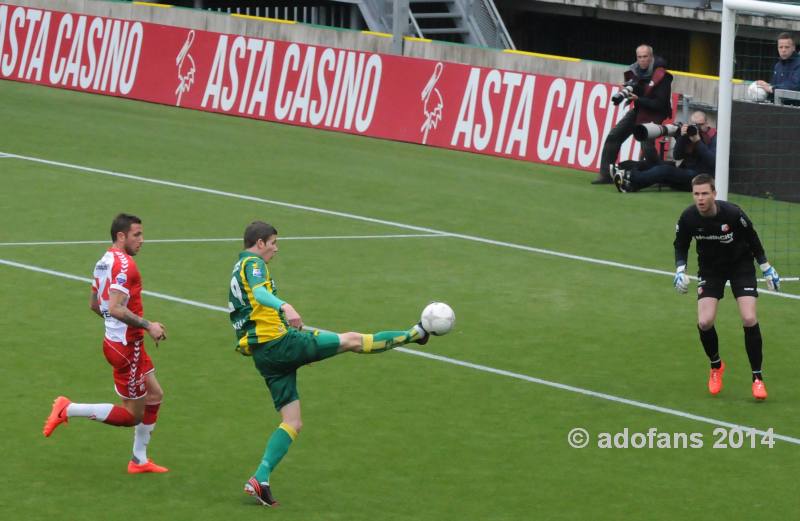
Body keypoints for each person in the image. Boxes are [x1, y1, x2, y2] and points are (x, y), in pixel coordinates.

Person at [230, 221, 433, 507]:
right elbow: (261, 295)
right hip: (279, 345)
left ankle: (260, 478)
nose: (276, 248)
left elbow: (252, 310)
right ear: (259, 243)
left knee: (292, 422)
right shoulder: (253, 264)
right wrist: (284, 306)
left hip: (266, 356)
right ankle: (416, 333)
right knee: (350, 340)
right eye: (273, 242)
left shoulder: (236, 269)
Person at [43, 213, 169, 473]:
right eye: (137, 235)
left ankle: (139, 460)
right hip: (125, 348)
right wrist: (148, 326)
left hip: (122, 342)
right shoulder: (125, 266)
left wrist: (117, 324)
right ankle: (68, 408)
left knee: (155, 394)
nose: (142, 240)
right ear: (121, 236)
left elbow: (94, 304)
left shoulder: (104, 260)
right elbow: (115, 307)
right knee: (132, 416)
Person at [672, 175, 780, 400]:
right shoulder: (688, 217)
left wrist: (767, 267)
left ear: (714, 194)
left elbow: (753, 239)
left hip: (740, 266)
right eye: (696, 194)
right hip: (711, 270)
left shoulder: (733, 213)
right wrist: (680, 269)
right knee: (704, 321)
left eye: (704, 193)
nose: (700, 198)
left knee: (749, 318)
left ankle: (757, 378)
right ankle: (716, 366)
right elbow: (681, 245)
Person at [593, 44, 673, 184]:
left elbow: (660, 104)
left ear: (651, 57)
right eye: (639, 57)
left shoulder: (663, 76)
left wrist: (639, 99)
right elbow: (635, 90)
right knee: (614, 136)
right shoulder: (635, 71)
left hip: (654, 114)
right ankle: (606, 174)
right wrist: (626, 91)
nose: (642, 60)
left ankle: (660, 174)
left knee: (646, 146)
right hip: (639, 109)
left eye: (645, 57)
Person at [613, 111, 716, 192]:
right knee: (653, 165)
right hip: (686, 170)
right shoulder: (690, 133)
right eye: (694, 125)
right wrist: (682, 137)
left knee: (665, 171)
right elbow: (677, 155)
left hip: (701, 177)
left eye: (700, 125)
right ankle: (622, 170)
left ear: (707, 123)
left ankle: (631, 177)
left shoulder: (714, 137)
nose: (697, 128)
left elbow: (713, 162)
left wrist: (698, 142)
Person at [755, 32, 800, 100]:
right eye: (780, 47)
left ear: (793, 48)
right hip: (778, 106)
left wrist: (771, 88)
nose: (783, 50)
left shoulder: (798, 63)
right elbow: (774, 86)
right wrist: (767, 85)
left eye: (787, 47)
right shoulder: (778, 66)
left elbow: (795, 85)